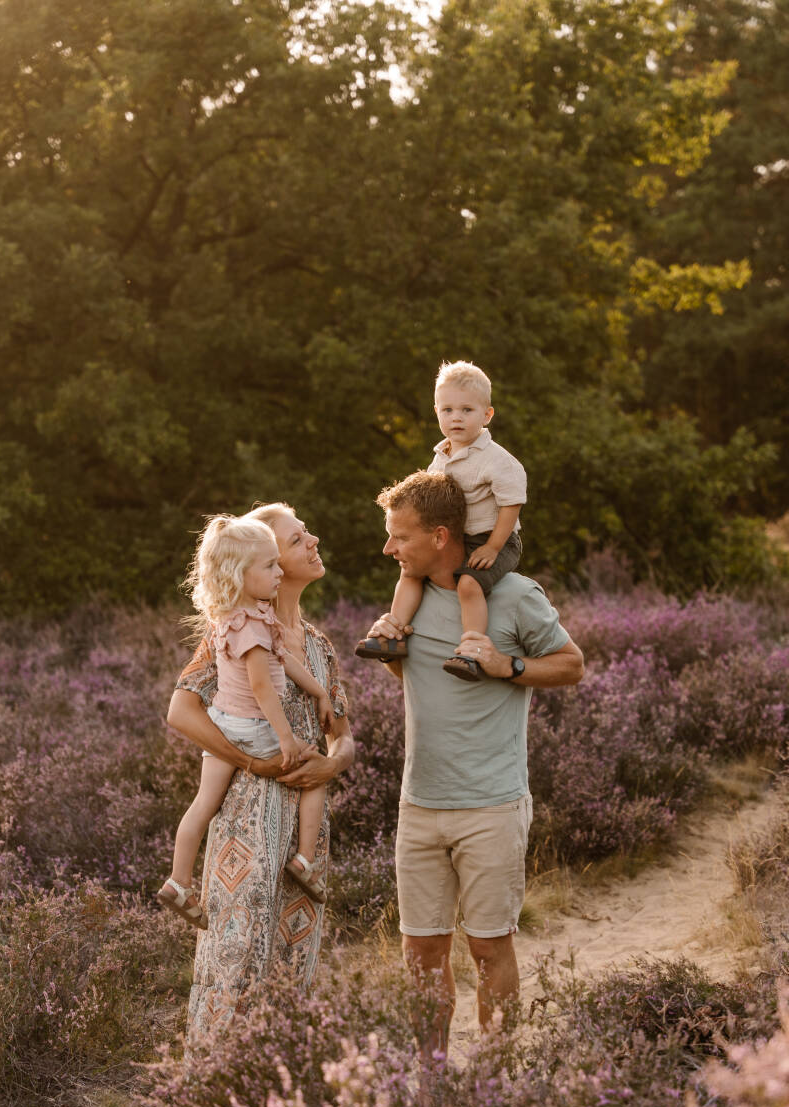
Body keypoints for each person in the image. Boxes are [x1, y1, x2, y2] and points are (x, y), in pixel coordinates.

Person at [362, 471, 584, 1060]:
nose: (389, 549)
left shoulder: (513, 595)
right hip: (420, 806)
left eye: (398, 537)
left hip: (491, 804)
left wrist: (504, 666)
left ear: (440, 536)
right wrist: (391, 645)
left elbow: (571, 664)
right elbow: (411, 678)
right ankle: (432, 1078)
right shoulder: (406, 597)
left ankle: (494, 1077)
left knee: (489, 950)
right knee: (421, 954)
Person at [166, 504, 355, 1036]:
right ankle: (211, 1099)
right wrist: (250, 760)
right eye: (297, 541)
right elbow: (181, 712)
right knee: (234, 965)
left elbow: (342, 729)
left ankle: (279, 1106)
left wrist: (331, 763)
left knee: (293, 974)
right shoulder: (229, 632)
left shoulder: (317, 646)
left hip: (305, 842)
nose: (313, 541)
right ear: (259, 561)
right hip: (245, 832)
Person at [158, 514, 335, 930]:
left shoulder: (233, 617)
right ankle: (306, 860)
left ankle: (179, 881)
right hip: (255, 728)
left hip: (224, 722)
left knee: (203, 804)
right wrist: (286, 740)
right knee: (314, 772)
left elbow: (288, 662)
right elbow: (263, 688)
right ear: (242, 573)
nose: (277, 572)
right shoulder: (256, 625)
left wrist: (321, 691)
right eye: (271, 564)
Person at [356, 361, 527, 681]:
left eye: (466, 410)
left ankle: (471, 652)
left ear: (487, 415)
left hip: (495, 537)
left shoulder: (497, 460)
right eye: (447, 410)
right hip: (456, 538)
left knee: (469, 584)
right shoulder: (441, 456)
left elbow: (511, 503)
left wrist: (493, 546)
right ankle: (392, 637)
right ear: (436, 412)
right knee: (410, 573)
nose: (456, 418)